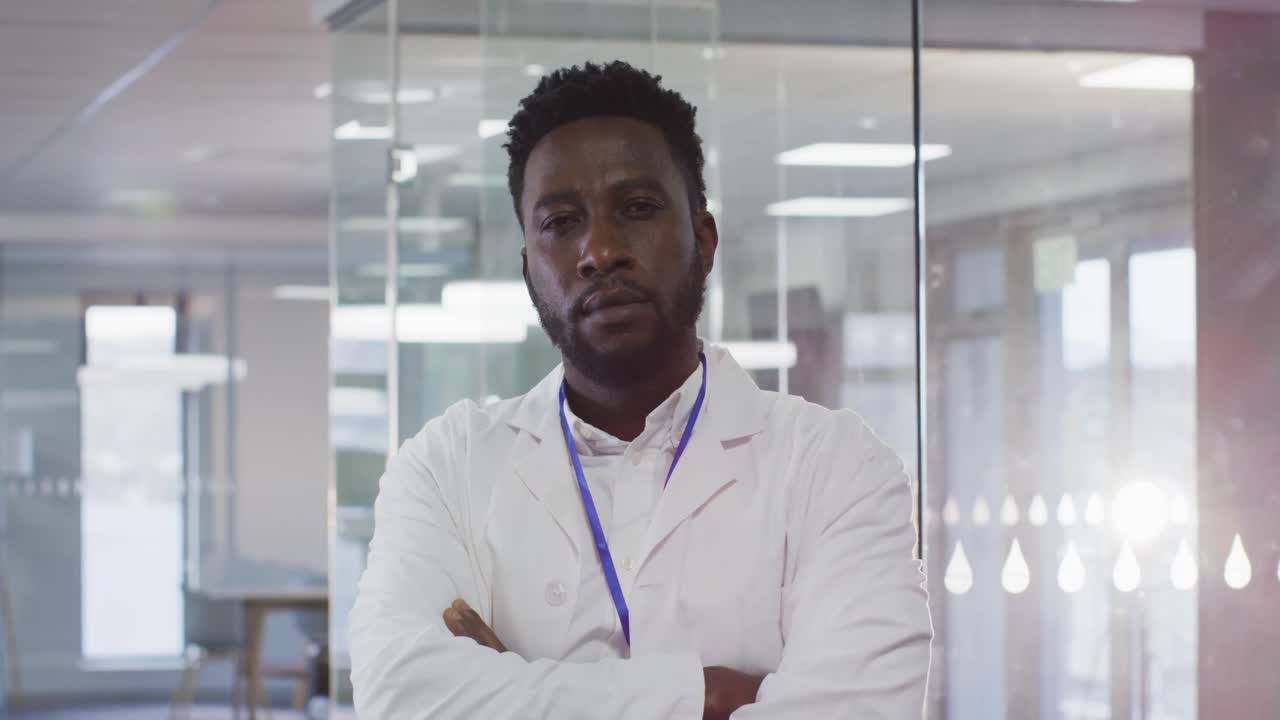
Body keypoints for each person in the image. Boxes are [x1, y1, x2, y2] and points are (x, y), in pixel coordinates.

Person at [349, 60, 932, 719]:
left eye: (637, 208)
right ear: (528, 268)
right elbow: (400, 697)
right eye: (561, 222)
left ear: (703, 240)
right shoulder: (448, 466)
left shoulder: (835, 466)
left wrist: (511, 684)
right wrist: (703, 697)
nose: (599, 249)